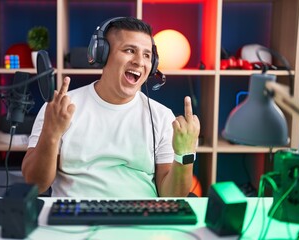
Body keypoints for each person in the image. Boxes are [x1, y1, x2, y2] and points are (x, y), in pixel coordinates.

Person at [22, 16, 200, 198]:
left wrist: (184, 155)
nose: (139, 61)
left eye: (147, 55)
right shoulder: (60, 109)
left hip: (140, 217)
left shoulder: (162, 117)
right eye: (130, 50)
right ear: (102, 54)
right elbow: (34, 184)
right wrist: (51, 134)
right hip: (75, 218)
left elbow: (172, 197)